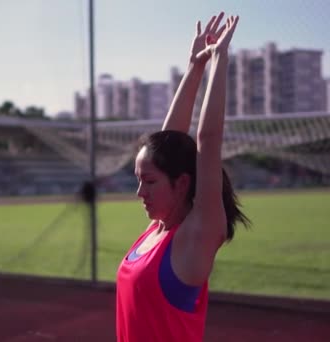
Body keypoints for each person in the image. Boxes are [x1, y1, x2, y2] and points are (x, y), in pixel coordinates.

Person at [116, 11, 249, 342]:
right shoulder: (155, 230)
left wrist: (219, 59)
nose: (139, 192)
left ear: (182, 183)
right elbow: (168, 145)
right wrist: (194, 67)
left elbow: (208, 140)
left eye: (149, 182)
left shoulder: (196, 236)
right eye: (138, 179)